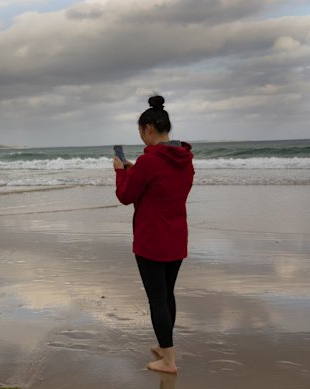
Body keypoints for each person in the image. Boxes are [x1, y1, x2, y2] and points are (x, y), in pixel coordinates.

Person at [113, 96, 194, 374]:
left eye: (140, 131)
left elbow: (125, 196)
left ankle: (168, 361)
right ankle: (164, 345)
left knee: (157, 299)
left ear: (148, 128)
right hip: (176, 235)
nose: (141, 137)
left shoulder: (150, 162)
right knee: (167, 294)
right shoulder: (184, 159)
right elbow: (165, 189)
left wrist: (120, 173)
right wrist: (134, 171)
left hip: (151, 239)